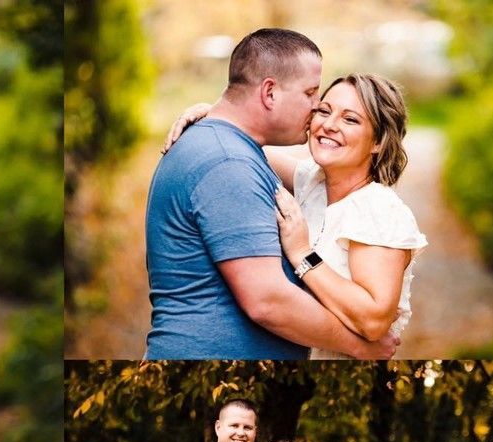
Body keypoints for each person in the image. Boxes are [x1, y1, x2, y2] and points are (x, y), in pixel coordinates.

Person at [144, 29, 399, 361]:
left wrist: (212, 111)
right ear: (269, 93)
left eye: (349, 118)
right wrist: (359, 347)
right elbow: (268, 301)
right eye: (311, 94)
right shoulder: (228, 161)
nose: (316, 108)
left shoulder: (235, 151)